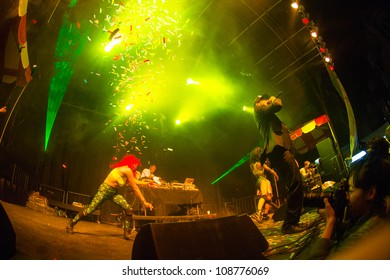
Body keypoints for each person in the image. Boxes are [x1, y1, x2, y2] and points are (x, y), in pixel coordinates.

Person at [305, 137, 390, 259]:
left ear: (371, 193)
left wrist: (330, 223)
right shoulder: (381, 210)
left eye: (350, 190)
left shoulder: (363, 238)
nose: (347, 196)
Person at [65, 155, 153, 240]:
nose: (136, 167)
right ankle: (71, 224)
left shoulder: (127, 171)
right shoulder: (127, 170)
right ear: (131, 163)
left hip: (113, 192)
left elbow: (134, 181)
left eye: (137, 165)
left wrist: (147, 183)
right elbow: (135, 187)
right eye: (135, 164)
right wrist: (144, 201)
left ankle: (127, 233)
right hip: (104, 190)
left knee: (128, 209)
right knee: (90, 209)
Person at [253, 93, 306, 234]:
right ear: (258, 103)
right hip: (277, 150)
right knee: (295, 182)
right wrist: (272, 99)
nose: (266, 101)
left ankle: (292, 222)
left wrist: (291, 154)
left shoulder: (267, 116)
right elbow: (277, 105)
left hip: (281, 149)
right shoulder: (260, 110)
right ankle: (289, 224)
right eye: (264, 100)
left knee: (294, 183)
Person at [249, 146, 278, 222]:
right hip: (262, 180)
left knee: (268, 198)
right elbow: (269, 170)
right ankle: (258, 213)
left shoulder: (252, 165)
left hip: (260, 180)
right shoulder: (260, 164)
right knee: (265, 196)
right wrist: (275, 174)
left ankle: (265, 214)